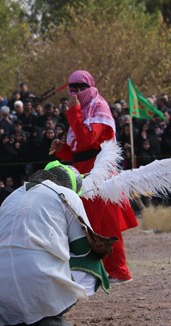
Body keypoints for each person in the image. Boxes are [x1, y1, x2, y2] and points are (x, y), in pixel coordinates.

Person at [0, 164, 110, 326]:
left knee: (12, 276)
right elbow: (84, 249)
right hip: (39, 280)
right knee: (94, 262)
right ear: (72, 186)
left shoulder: (11, 196)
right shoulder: (68, 195)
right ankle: (51, 315)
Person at [50, 70, 137, 283]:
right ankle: (92, 270)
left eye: (82, 87)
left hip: (100, 173)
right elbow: (79, 149)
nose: (77, 92)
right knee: (85, 223)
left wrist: (73, 112)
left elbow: (89, 139)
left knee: (106, 224)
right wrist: (62, 149)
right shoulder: (83, 110)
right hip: (82, 173)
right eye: (73, 88)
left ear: (91, 86)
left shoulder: (99, 107)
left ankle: (119, 271)